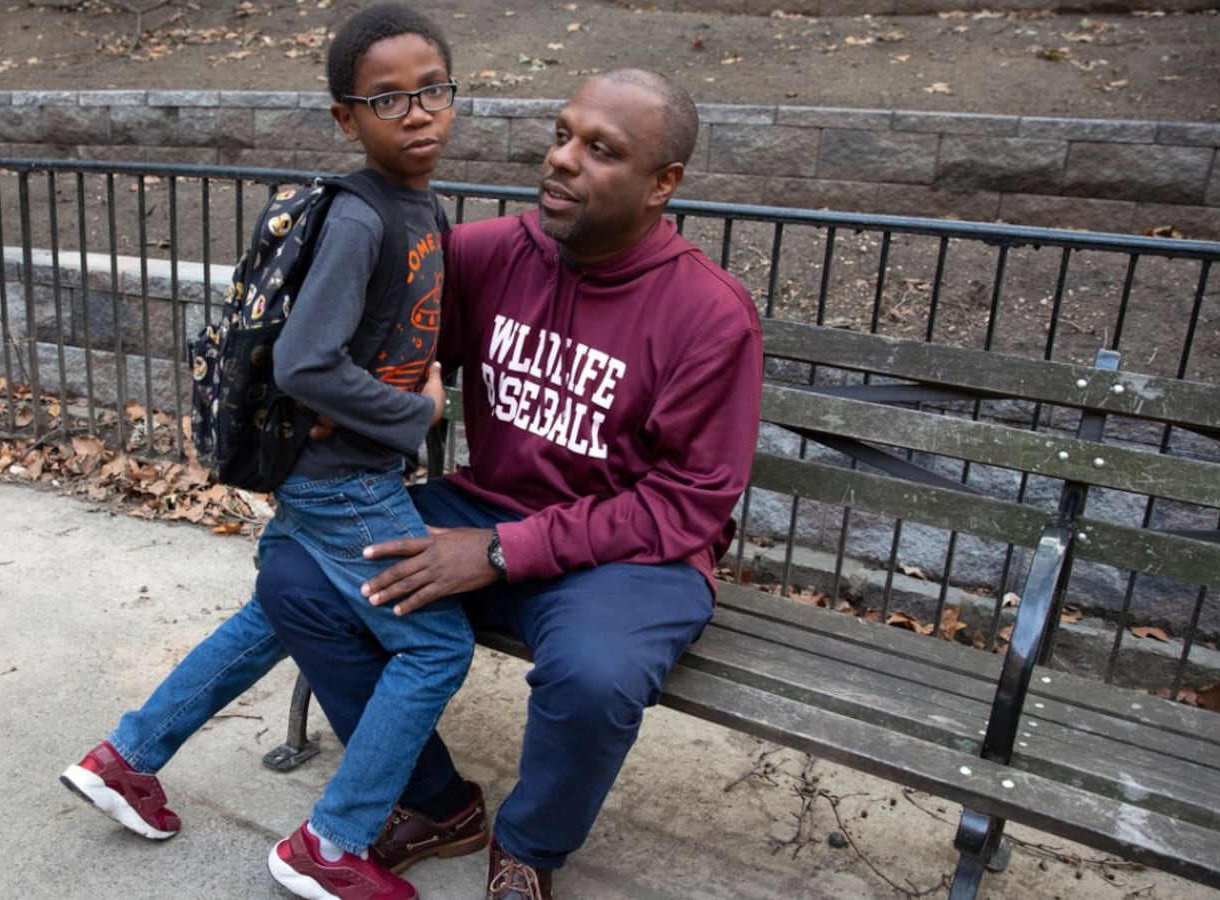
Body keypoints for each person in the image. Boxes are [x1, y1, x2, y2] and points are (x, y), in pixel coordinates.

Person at [258, 69, 765, 900]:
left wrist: (501, 552)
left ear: (661, 184)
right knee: (299, 575)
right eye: (562, 135)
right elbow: (397, 353)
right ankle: (436, 803)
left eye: (600, 150)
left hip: (630, 556)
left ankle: (528, 846)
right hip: (485, 505)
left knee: (594, 676)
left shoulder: (709, 314)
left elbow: (688, 502)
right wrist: (333, 408)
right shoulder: (490, 254)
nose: (562, 161)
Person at [62, 7, 478, 900]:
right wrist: (415, 411)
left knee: (269, 616)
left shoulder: (419, 205)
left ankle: (128, 756)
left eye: (433, 89)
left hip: (331, 477)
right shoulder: (365, 218)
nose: (417, 113)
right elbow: (304, 363)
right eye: (388, 98)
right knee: (437, 648)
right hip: (349, 482)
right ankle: (335, 840)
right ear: (346, 118)